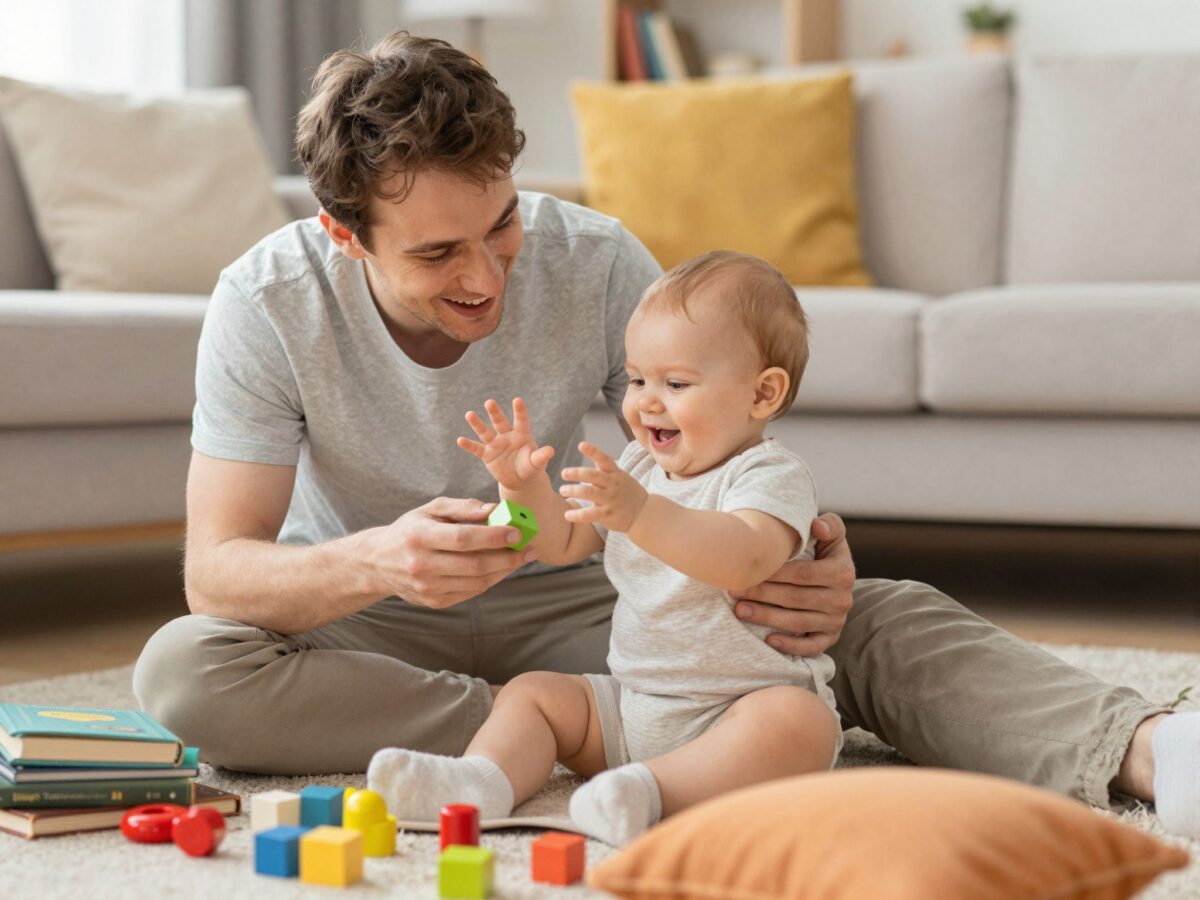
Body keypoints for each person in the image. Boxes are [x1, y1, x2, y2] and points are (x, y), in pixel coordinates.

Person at [131, 30, 1199, 841]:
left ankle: (1150, 751)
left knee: (862, 619)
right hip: (376, 625)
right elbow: (217, 570)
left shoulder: (592, 259)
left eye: (502, 222)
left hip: (591, 599)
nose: (488, 274)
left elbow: (728, 437)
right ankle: (566, 727)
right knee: (187, 671)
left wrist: (814, 554)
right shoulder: (267, 301)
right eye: (438, 253)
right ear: (342, 233)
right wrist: (376, 558)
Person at [369, 251, 840, 845]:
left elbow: (742, 557)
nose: (645, 400)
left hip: (738, 711)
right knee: (535, 694)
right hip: (632, 707)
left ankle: (652, 793)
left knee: (800, 723)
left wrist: (641, 513)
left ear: (762, 394)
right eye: (638, 378)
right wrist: (520, 484)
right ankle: (479, 783)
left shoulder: (770, 475)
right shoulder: (637, 466)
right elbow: (560, 542)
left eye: (676, 383)